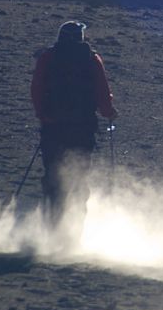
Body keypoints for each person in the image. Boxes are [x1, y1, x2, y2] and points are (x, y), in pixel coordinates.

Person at [30, 21, 117, 226]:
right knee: (78, 177)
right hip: (82, 127)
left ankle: (50, 226)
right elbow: (102, 93)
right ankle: (73, 231)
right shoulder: (92, 59)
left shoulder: (47, 58)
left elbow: (37, 89)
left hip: (53, 127)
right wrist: (109, 112)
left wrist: (43, 115)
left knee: (52, 174)